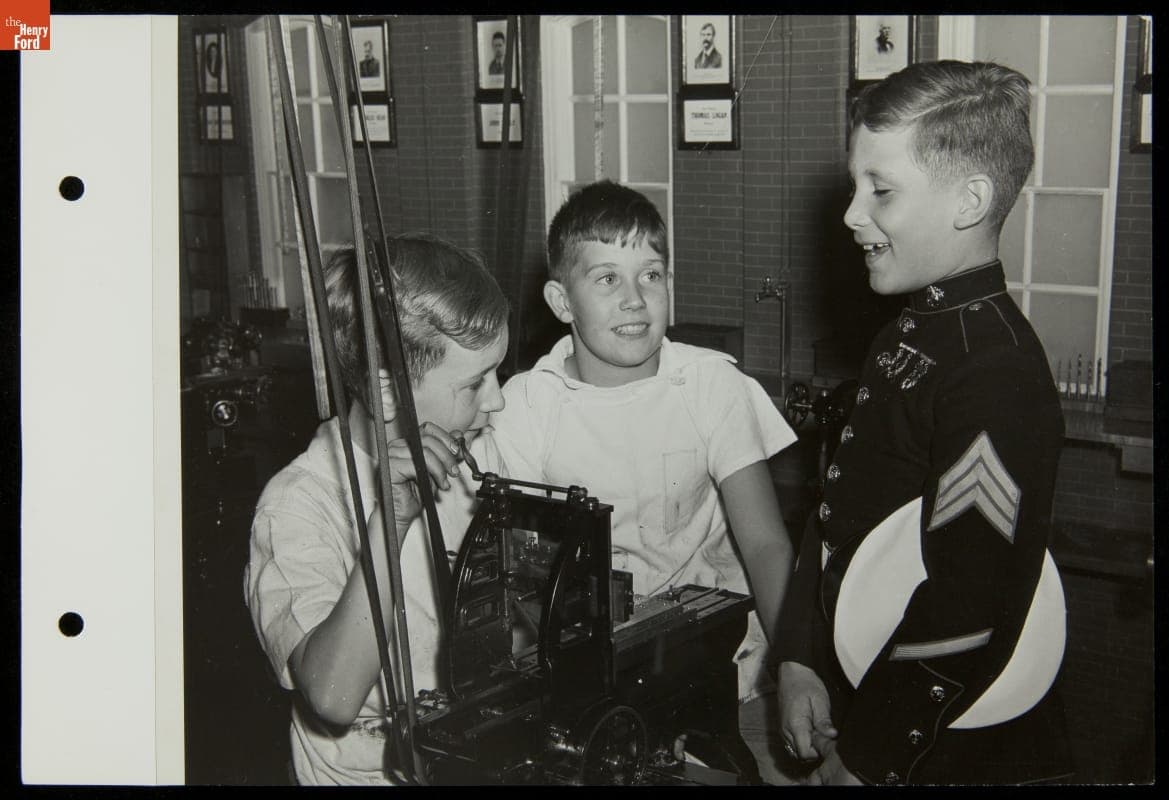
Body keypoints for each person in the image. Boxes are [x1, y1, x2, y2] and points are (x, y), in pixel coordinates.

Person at [774, 60, 1074, 786]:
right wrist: (800, 654)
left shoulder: (993, 368)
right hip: (867, 682)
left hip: (946, 745)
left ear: (969, 201)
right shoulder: (914, 329)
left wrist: (870, 757)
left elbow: (970, 603)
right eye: (855, 186)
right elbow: (842, 506)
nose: (850, 213)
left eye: (879, 190)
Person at [480, 180, 799, 784]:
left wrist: (799, 662)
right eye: (607, 280)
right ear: (561, 300)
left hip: (720, 658)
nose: (635, 299)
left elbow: (765, 543)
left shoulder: (710, 385)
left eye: (651, 275)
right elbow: (519, 572)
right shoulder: (525, 406)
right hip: (590, 673)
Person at [244, 235, 510, 785]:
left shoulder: (476, 452)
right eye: (475, 383)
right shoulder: (296, 506)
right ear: (388, 394)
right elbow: (335, 696)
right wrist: (388, 526)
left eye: (498, 374)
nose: (497, 400)